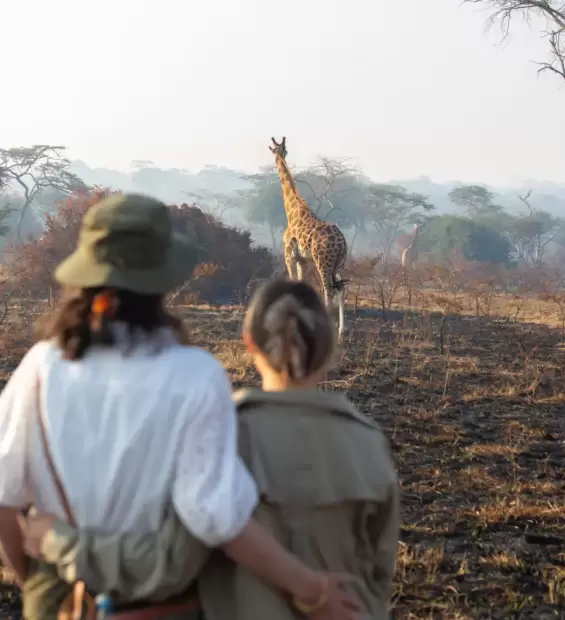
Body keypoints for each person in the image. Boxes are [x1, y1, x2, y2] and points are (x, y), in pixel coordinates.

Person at [0, 194, 361, 620]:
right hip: (162, 609)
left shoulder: (41, 368)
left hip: (61, 599)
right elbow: (216, 518)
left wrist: (45, 593)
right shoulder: (195, 374)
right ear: (164, 277)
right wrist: (310, 587)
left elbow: (5, 504)